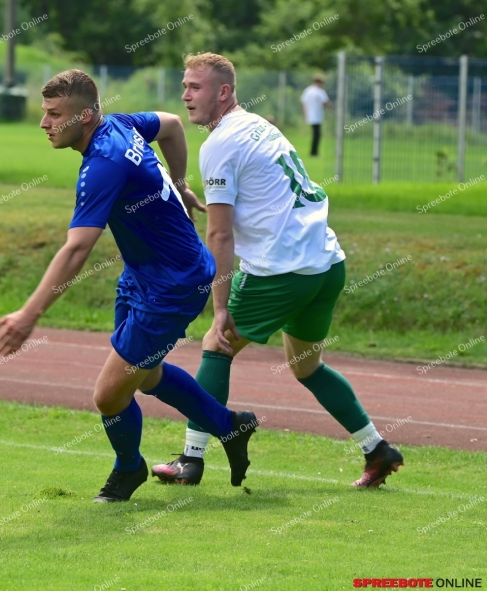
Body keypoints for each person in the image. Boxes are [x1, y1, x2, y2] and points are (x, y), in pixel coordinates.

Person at [0, 69, 259, 503]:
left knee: (108, 395)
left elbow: (77, 250)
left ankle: (128, 469)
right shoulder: (120, 124)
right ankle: (229, 425)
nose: (44, 123)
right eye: (44, 113)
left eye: (55, 114)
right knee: (146, 374)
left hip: (173, 285)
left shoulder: (102, 165)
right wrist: (180, 179)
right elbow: (171, 125)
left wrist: (29, 314)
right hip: (144, 274)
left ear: (86, 116)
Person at [152, 53, 403, 489]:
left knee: (217, 344)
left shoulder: (218, 145)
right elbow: (262, 197)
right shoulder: (257, 126)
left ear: (224, 92)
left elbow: (221, 237)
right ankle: (377, 449)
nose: (186, 94)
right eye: (185, 85)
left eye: (196, 87)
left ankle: (191, 461)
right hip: (325, 264)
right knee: (307, 366)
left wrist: (220, 306)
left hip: (282, 271)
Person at [301, 74, 332, 157]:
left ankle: (313, 151)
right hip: (317, 116)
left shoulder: (307, 90)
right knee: (317, 134)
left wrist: (304, 115)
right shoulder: (320, 91)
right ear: (319, 82)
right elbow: (326, 102)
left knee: (315, 134)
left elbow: (303, 103)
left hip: (310, 115)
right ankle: (314, 152)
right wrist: (333, 109)